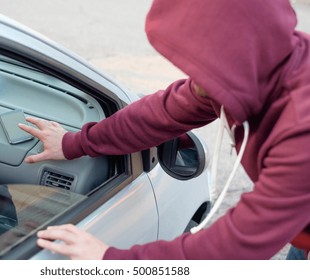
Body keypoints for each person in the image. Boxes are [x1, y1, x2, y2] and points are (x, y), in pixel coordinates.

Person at [18, 0, 310, 260]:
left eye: (204, 64)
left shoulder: (301, 131)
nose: (194, 80)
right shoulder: (252, 69)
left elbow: (238, 245)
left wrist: (109, 259)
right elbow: (158, 115)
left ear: (235, 54)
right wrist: (75, 143)